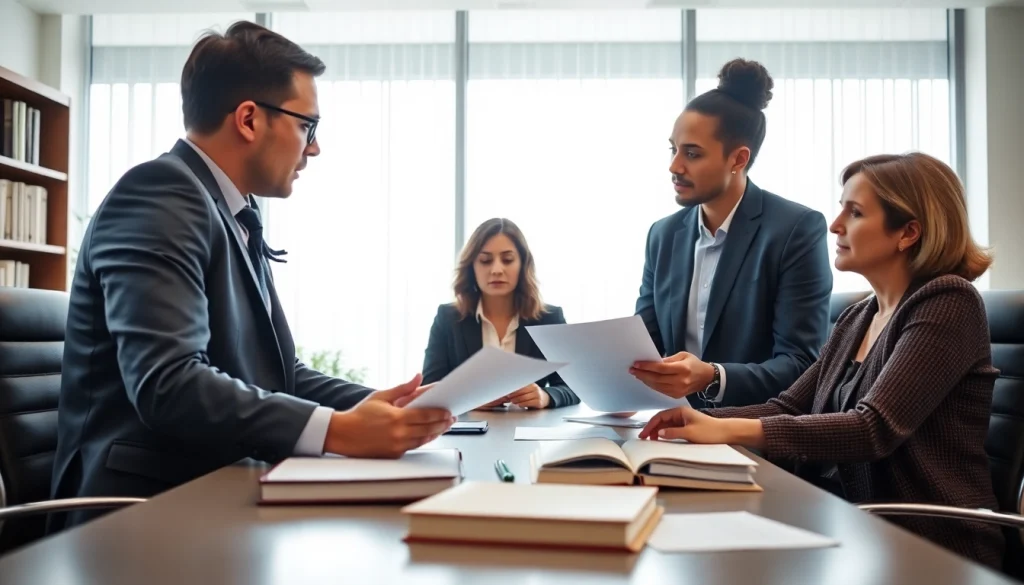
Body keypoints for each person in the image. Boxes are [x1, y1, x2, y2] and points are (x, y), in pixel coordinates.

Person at [50, 21, 453, 529]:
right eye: (308, 126)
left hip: (214, 491)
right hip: (136, 514)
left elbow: (278, 375)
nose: (314, 148)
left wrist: (373, 405)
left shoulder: (231, 210)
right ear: (248, 119)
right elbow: (169, 384)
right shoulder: (159, 195)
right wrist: (338, 431)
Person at [639, 152, 1004, 568]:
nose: (835, 225)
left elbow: (872, 429)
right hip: (854, 526)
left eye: (855, 212)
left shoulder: (948, 302)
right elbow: (788, 407)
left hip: (930, 543)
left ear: (908, 232)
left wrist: (725, 429)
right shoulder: (857, 317)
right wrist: (694, 423)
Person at [631, 58, 832, 410]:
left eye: (692, 153)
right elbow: (644, 346)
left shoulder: (796, 230)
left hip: (753, 428)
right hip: (673, 424)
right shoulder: (663, 235)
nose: (674, 166)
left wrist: (712, 377)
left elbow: (802, 365)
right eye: (673, 149)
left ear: (738, 159)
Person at [422, 218, 579, 409]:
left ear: (523, 265)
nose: (496, 270)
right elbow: (429, 388)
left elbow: (573, 388)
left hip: (530, 425)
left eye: (508, 260)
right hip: (468, 426)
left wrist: (545, 396)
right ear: (472, 267)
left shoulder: (549, 318)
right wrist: (470, 398)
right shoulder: (448, 318)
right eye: (485, 261)